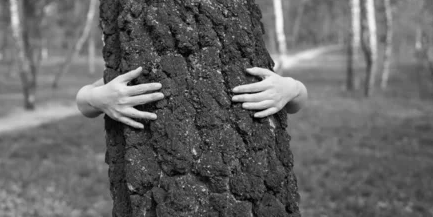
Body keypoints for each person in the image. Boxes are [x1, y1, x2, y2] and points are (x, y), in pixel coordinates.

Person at [76, 66, 307, 129]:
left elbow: (298, 102)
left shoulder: (242, 56)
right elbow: (83, 103)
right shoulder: (138, 60)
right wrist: (98, 97)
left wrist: (290, 87)